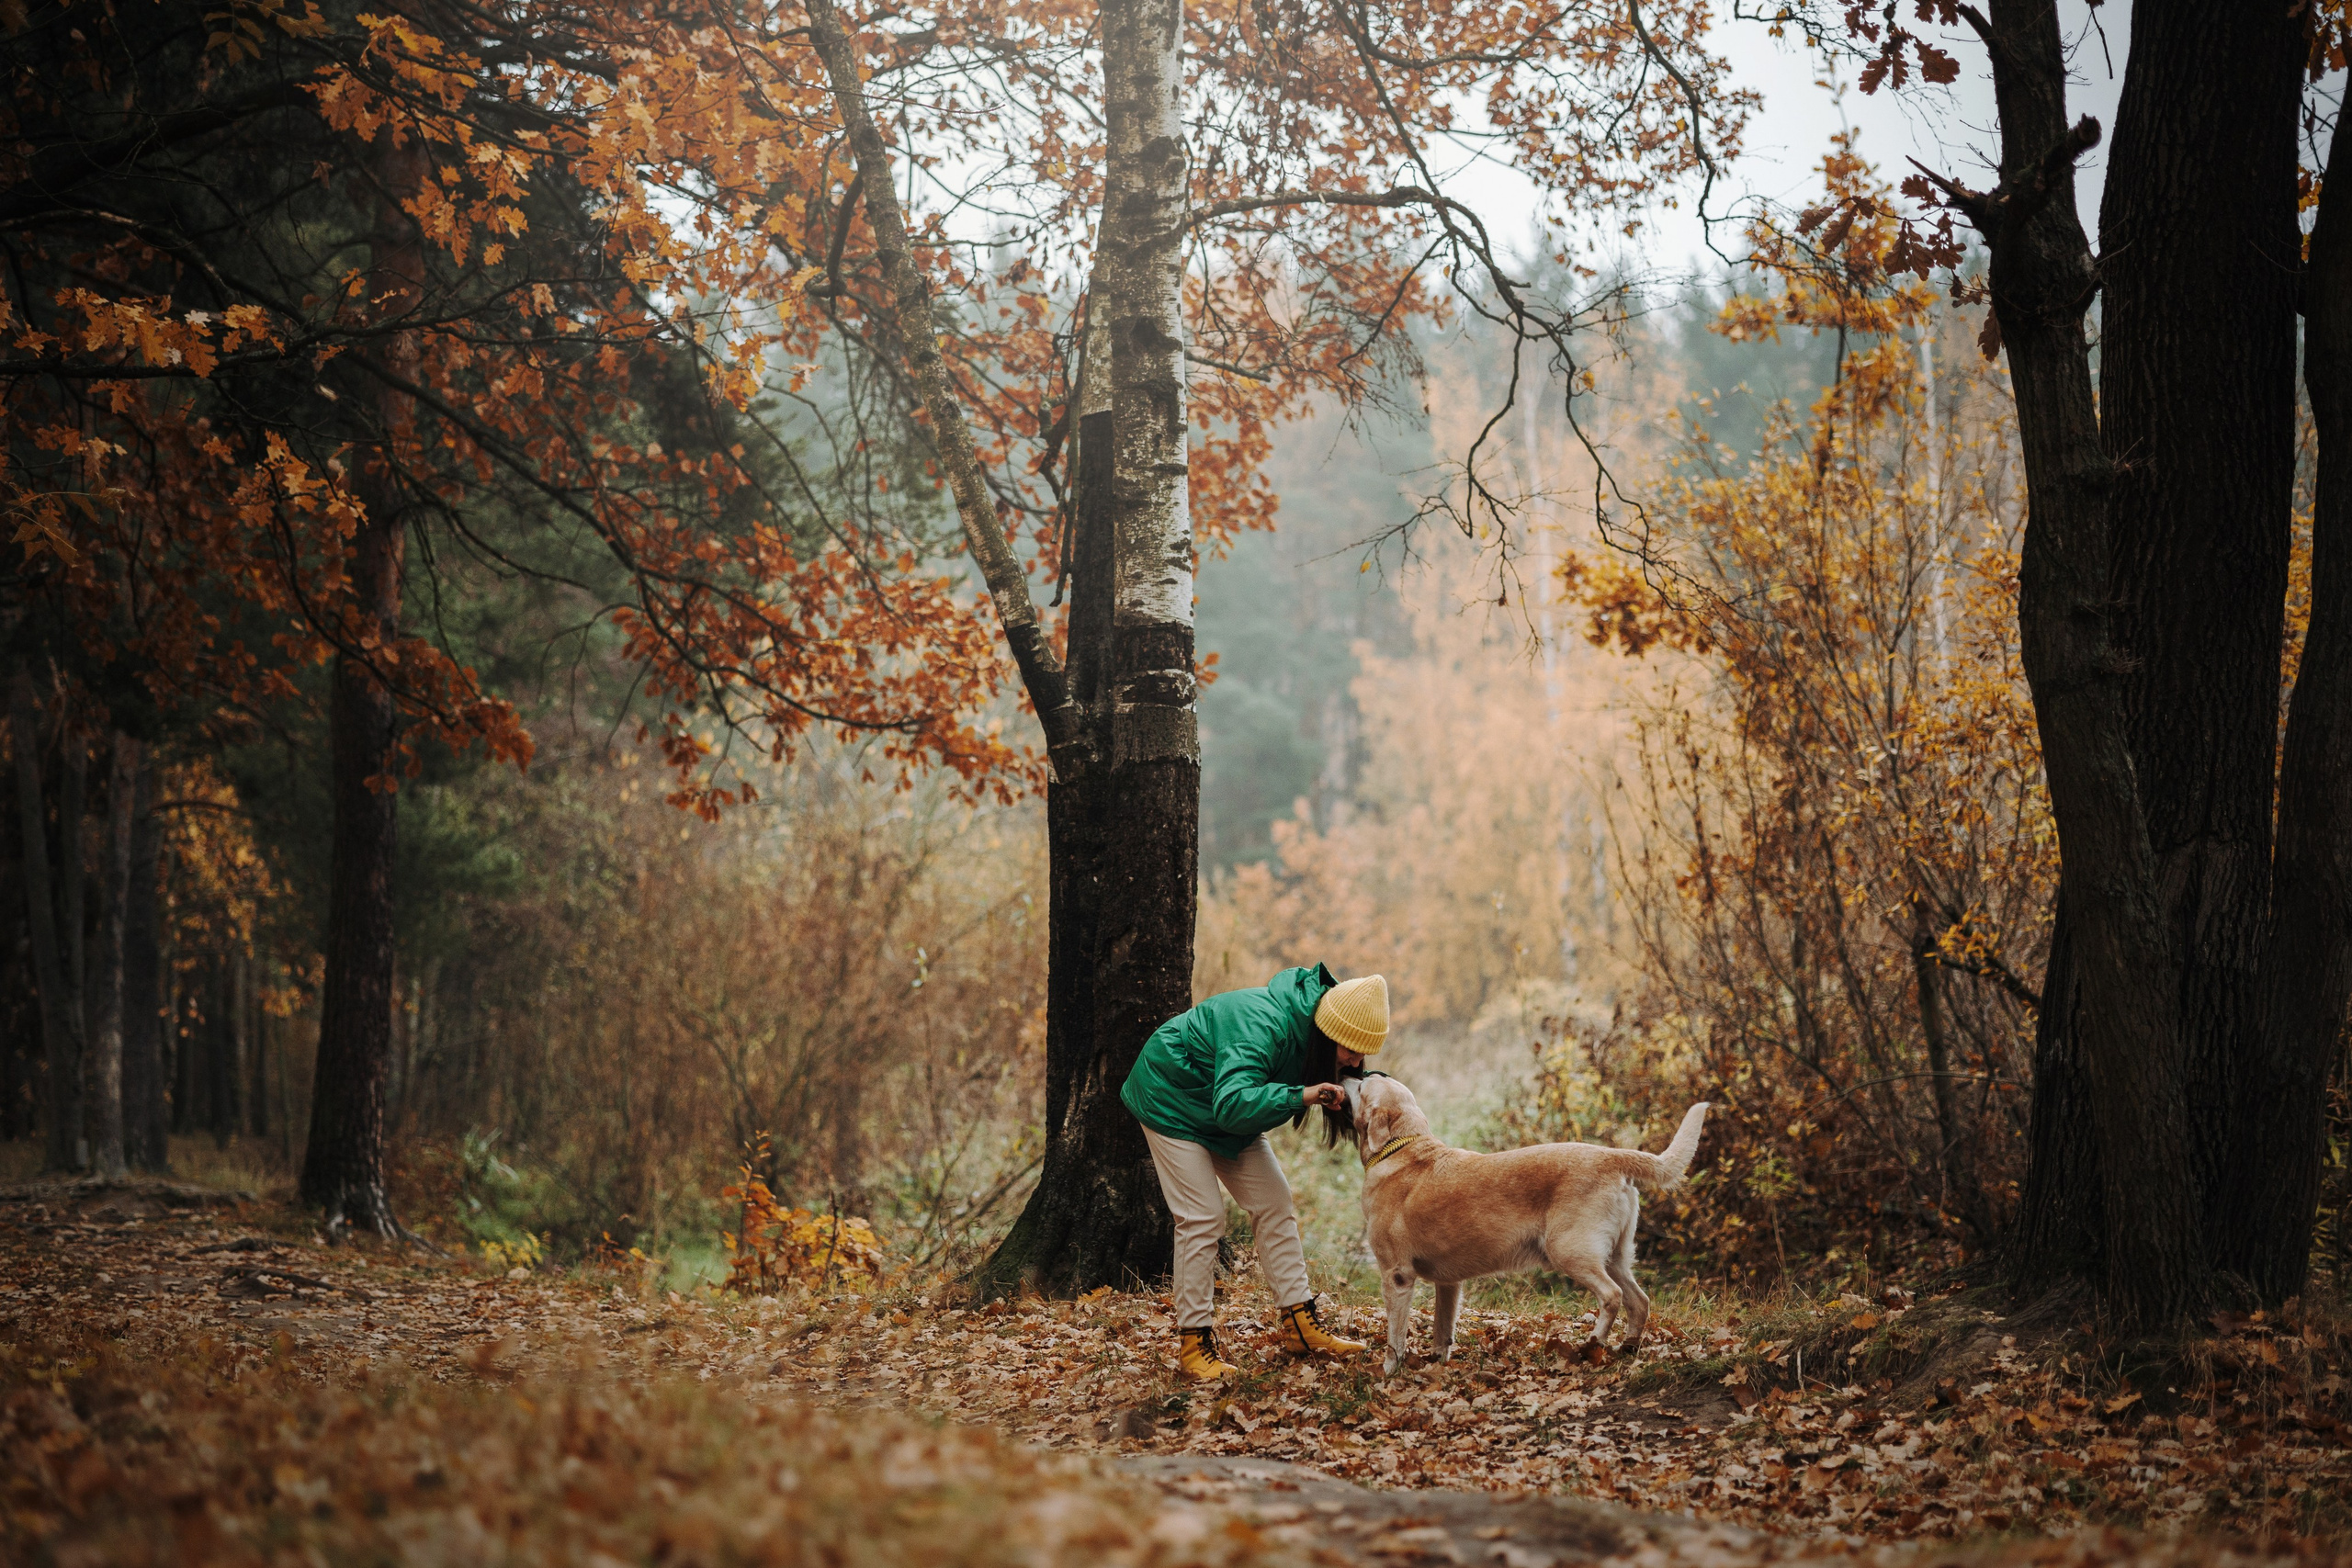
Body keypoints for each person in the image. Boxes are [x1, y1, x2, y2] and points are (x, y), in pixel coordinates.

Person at [1119, 963, 1387, 1381]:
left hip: (1222, 1107)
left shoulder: (1315, 1038)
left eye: (1361, 1052)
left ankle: (1300, 1326)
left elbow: (1235, 1104)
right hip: (1171, 1096)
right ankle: (1194, 1344)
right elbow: (1232, 1104)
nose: (1353, 1060)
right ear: (1326, 1031)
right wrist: (1301, 1095)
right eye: (1348, 1049)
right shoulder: (1261, 1023)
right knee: (1202, 1217)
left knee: (1274, 1202)